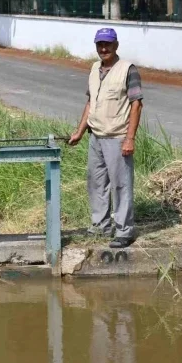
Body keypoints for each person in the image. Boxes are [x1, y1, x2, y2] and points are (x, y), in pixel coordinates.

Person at [68, 28, 143, 249]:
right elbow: (91, 102)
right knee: (96, 182)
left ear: (116, 45)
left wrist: (130, 138)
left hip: (118, 137)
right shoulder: (94, 69)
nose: (103, 48)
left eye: (108, 44)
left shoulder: (128, 70)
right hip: (96, 137)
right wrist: (80, 132)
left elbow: (136, 104)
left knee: (121, 185)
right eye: (100, 44)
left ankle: (124, 230)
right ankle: (100, 225)